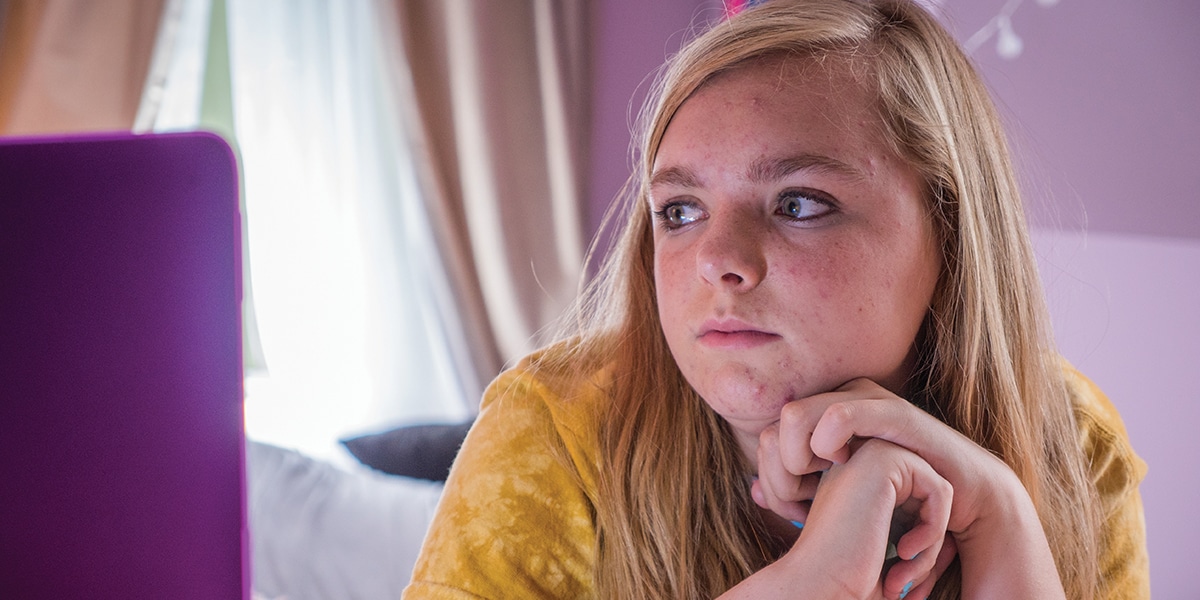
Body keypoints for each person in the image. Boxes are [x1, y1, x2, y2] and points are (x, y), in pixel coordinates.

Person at [402, 0, 1148, 598]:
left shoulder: (1072, 446)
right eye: (680, 211)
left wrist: (1007, 525)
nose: (716, 262)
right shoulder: (555, 438)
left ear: (951, 234)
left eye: (798, 203)